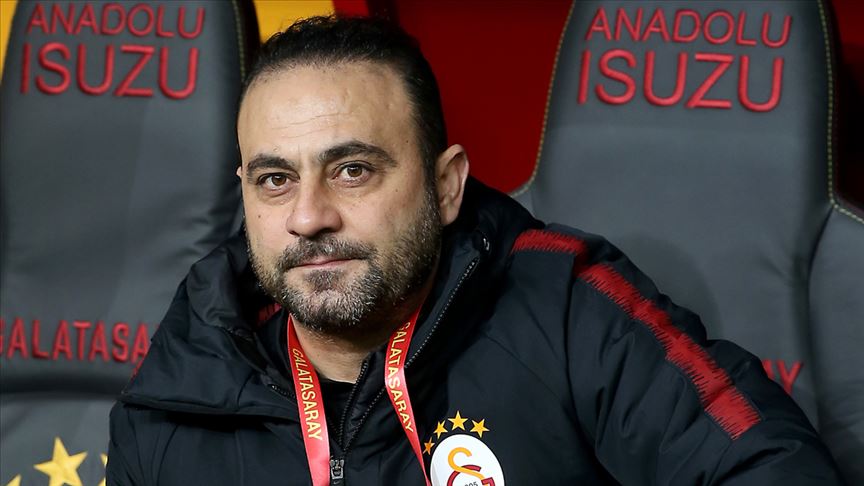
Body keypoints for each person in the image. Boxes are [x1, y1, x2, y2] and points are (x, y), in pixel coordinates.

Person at [107, 15, 845, 485]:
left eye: (353, 170)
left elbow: (774, 469)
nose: (308, 217)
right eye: (275, 180)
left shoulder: (566, 312)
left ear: (447, 186)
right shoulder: (181, 388)